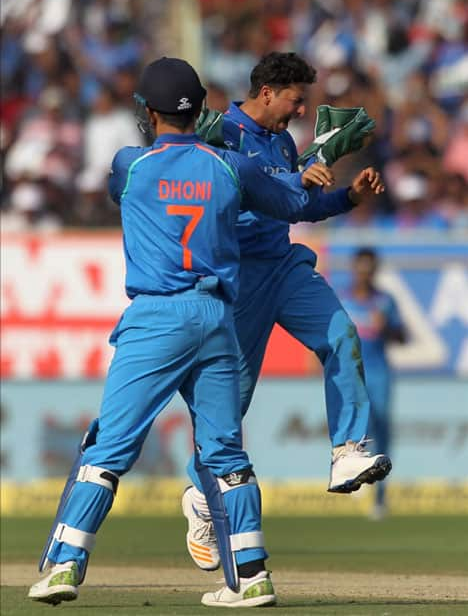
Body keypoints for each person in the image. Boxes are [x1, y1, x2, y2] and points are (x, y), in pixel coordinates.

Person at [27, 57, 383, 609]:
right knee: (225, 452)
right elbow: (290, 202)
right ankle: (253, 575)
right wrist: (313, 173)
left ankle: (64, 567)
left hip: (157, 317)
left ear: (149, 112)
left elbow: (120, 188)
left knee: (108, 448)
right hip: (217, 315)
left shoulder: (131, 163)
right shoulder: (230, 167)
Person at [184, 52, 392, 570]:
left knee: (341, 333)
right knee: (228, 412)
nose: (301, 111)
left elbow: (297, 208)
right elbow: (225, 197)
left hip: (284, 265)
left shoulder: (279, 141)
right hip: (239, 279)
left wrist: (346, 195)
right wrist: (292, 185)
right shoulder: (218, 134)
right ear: (269, 92)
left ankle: (348, 451)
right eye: (296, 100)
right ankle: (202, 496)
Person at [340, 248, 406, 519]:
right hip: (349, 374)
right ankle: (349, 484)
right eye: (361, 267)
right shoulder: (342, 299)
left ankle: (379, 497)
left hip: (378, 373)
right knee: (352, 432)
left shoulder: (385, 301)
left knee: (381, 431)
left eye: (370, 268)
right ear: (354, 269)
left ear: (375, 270)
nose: (364, 273)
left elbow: (402, 336)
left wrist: (386, 327)